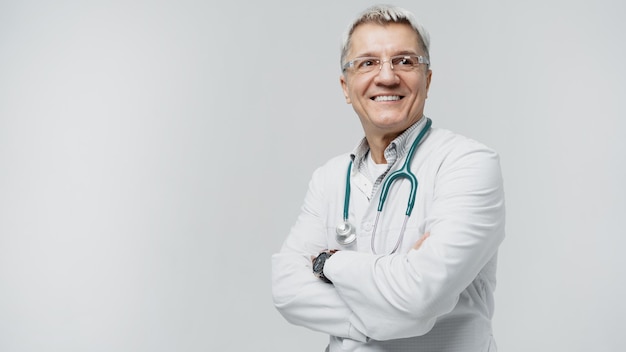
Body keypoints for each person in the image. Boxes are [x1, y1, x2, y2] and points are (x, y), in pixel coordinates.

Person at [271, 4, 505, 351]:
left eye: (404, 61)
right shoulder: (329, 179)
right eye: (367, 63)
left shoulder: (467, 164)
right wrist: (387, 315)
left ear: (427, 79)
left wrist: (328, 262)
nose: (387, 77)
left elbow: (420, 298)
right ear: (346, 87)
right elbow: (286, 289)